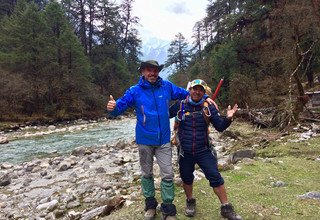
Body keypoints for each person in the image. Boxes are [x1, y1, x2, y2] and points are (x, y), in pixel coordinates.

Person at [106, 60, 215, 220]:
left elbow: (188, 94)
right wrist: (113, 108)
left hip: (163, 139)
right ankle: (150, 206)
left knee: (168, 175)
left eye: (155, 70)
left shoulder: (167, 87)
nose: (152, 73)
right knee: (147, 174)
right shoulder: (134, 91)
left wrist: (205, 97)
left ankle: (168, 209)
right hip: (144, 140)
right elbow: (119, 108)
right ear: (142, 72)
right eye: (149, 70)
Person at [169, 79, 242, 220]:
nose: (197, 92)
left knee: (215, 177)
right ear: (189, 90)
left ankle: (226, 208)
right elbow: (164, 115)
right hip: (185, 151)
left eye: (200, 90)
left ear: (204, 92)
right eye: (195, 89)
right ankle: (190, 202)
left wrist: (228, 118)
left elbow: (219, 126)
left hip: (204, 150)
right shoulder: (180, 105)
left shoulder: (209, 107)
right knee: (186, 178)